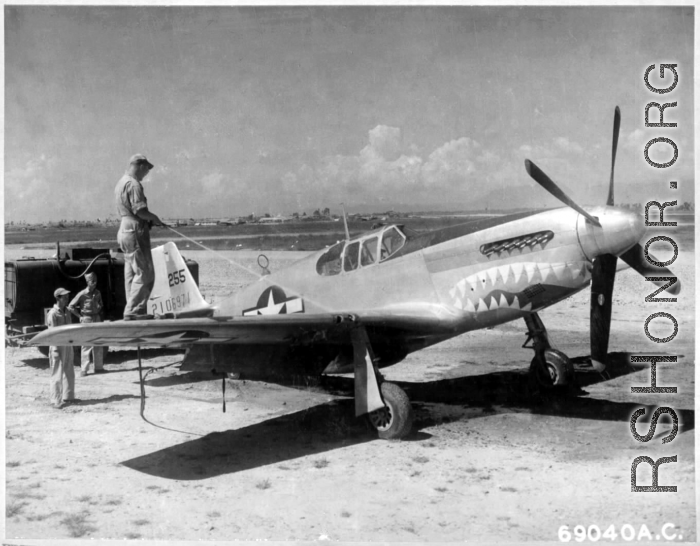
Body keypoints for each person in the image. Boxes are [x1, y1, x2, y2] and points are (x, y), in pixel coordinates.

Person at [114, 154, 165, 320]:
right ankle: (133, 311)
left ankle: (132, 309)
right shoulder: (134, 184)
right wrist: (155, 218)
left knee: (131, 273)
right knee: (145, 273)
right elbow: (140, 211)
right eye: (146, 170)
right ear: (141, 166)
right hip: (135, 229)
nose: (146, 174)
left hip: (124, 229)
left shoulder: (121, 182)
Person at [68, 271, 105, 376]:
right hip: (87, 319)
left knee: (98, 342)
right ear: (87, 282)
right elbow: (71, 306)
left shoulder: (98, 293)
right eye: (92, 281)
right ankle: (84, 369)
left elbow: (101, 304)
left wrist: (98, 307)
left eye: (96, 281)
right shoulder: (82, 294)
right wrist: (80, 317)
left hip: (96, 318)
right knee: (86, 344)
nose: (94, 283)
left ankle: (99, 367)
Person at [46, 288, 76, 409]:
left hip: (68, 344)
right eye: (64, 297)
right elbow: (51, 333)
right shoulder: (52, 313)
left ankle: (68, 396)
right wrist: (55, 348)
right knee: (57, 373)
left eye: (67, 296)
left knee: (69, 370)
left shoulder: (67, 311)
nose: (67, 298)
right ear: (58, 298)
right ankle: (56, 400)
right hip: (57, 345)